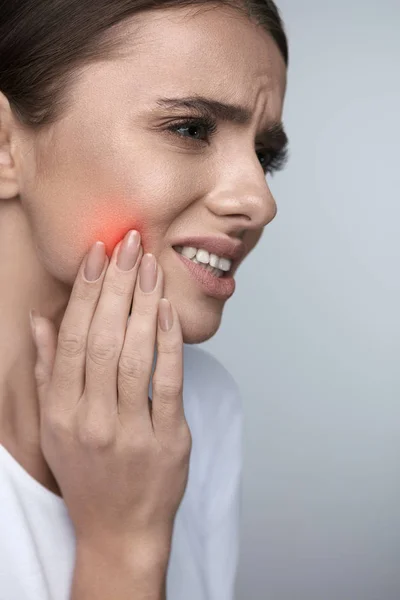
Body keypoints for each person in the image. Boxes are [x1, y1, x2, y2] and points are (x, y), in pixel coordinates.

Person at [0, 1, 289, 598]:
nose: (260, 201)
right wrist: (121, 545)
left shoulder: (200, 406)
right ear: (6, 146)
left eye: (264, 155)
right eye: (191, 128)